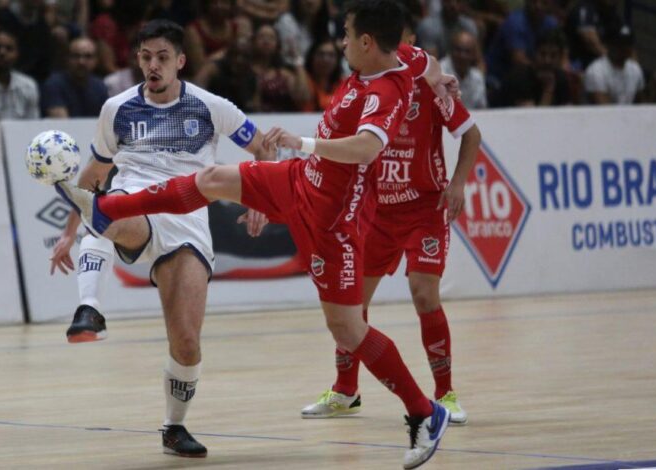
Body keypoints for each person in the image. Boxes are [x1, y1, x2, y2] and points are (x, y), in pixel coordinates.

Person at [54, 2, 459, 467]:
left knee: (347, 329)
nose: (340, 42)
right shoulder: (402, 59)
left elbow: (368, 147)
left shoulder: (384, 91)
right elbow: (423, 60)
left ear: (367, 43)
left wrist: (302, 142)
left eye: (346, 36)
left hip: (333, 219)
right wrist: (438, 77)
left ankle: (424, 412)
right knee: (211, 179)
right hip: (300, 180)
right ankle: (106, 209)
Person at [48, 19, 272, 458]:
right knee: (105, 207)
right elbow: (94, 176)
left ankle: (173, 428)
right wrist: (67, 231)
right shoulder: (117, 108)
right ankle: (89, 310)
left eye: (163, 57)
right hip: (135, 200)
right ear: (137, 60)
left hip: (187, 218)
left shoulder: (211, 106)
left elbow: (264, 148)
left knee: (186, 343)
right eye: (146, 56)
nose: (153, 65)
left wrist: (260, 200)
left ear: (180, 62)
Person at [299, 19, 481, 426]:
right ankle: (346, 391)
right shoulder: (364, 86)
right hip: (376, 211)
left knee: (423, 294)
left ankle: (445, 394)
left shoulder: (431, 88)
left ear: (410, 44)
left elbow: (471, 135)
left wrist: (459, 183)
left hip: (424, 210)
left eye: (401, 42)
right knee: (352, 305)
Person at [41, 36, 108, 117]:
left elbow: (104, 122)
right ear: (67, 59)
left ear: (96, 60)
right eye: (76, 56)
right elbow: (61, 124)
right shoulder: (54, 84)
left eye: (88, 56)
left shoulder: (100, 87)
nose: (81, 62)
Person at [584, 24, 644, 105]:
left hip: (630, 116)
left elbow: (641, 105)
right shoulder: (596, 71)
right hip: (602, 117)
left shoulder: (635, 69)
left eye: (628, 44)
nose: (625, 48)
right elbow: (604, 110)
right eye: (620, 44)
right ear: (609, 44)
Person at [440, 30, 487, 109]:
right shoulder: (439, 72)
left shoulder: (477, 77)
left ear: (474, 54)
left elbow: (482, 109)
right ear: (451, 50)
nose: (462, 55)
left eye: (467, 51)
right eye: (458, 50)